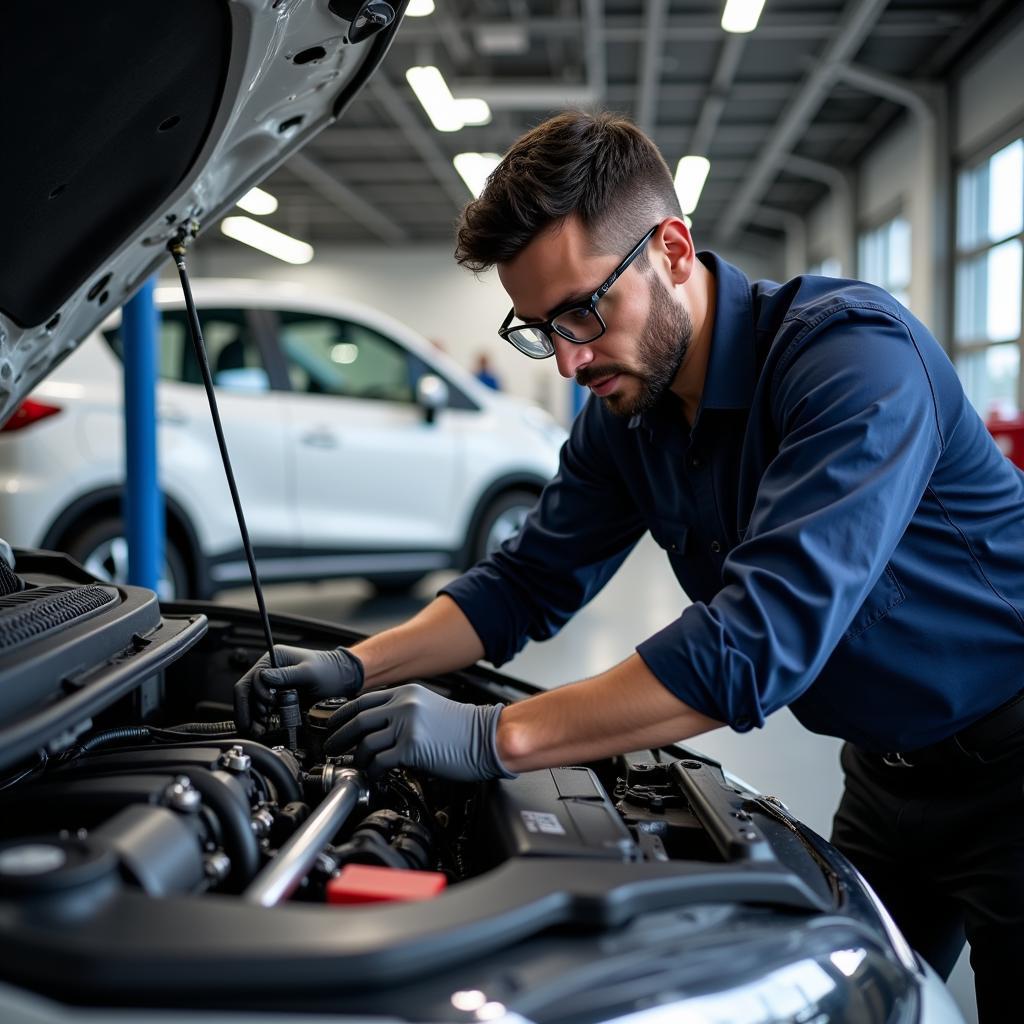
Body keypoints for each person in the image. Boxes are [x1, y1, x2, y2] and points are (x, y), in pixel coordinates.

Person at [235, 111, 1024, 1017]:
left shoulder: (850, 359)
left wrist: (493, 737)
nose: (568, 358)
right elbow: (526, 581)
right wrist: (353, 663)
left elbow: (755, 641)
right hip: (887, 778)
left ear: (674, 250)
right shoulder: (627, 417)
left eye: (582, 311)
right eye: (539, 328)